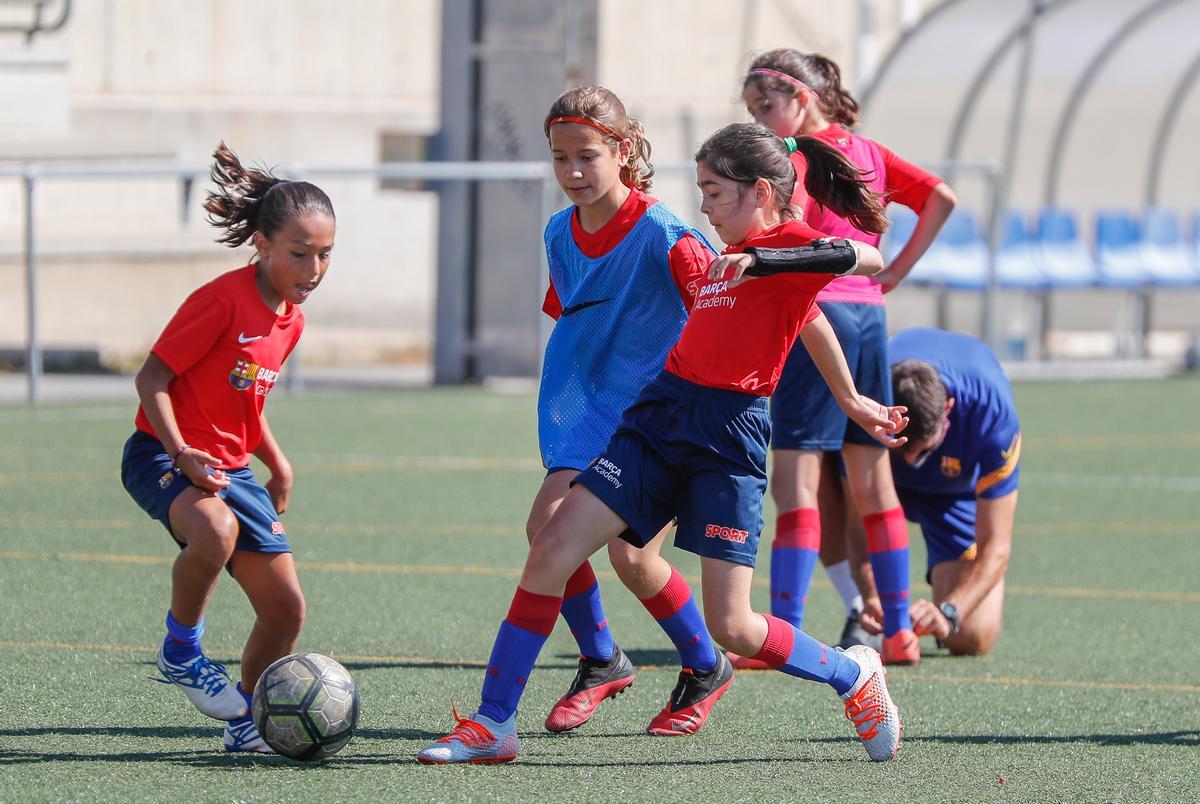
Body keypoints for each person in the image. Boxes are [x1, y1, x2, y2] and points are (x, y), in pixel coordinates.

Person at [416, 122, 908, 765]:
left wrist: (771, 263)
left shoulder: (783, 247)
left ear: (760, 191)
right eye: (700, 190)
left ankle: (854, 677)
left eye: (714, 191)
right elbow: (807, 319)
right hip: (658, 414)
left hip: (728, 435)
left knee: (733, 625)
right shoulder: (720, 250)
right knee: (552, 548)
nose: (703, 205)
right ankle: (493, 723)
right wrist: (845, 394)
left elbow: (865, 258)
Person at [529, 85, 868, 737]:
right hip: (591, 413)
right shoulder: (557, 232)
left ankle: (694, 663)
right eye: (559, 157)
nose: (572, 170)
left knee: (631, 561)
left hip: (664, 416)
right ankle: (607, 660)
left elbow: (784, 309)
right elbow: (572, 318)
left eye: (585, 155)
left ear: (623, 152)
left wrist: (848, 396)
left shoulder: (670, 236)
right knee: (551, 536)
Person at [737, 49, 956, 666]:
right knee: (871, 475)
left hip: (820, 315)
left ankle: (781, 634)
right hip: (870, 315)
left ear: (802, 100)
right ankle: (900, 633)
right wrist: (897, 272)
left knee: (795, 479)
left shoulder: (796, 158)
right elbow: (942, 197)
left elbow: (796, 233)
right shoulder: (870, 153)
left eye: (766, 107)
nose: (760, 120)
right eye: (752, 111)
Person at [119, 143, 334, 753]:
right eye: (300, 253)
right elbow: (151, 380)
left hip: (231, 469)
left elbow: (248, 402)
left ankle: (246, 721)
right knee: (212, 531)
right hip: (160, 454)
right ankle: (181, 650)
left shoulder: (291, 318)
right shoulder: (219, 301)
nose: (314, 268)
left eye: (325, 254)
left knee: (286, 608)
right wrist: (182, 451)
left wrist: (278, 462)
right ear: (262, 246)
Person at [851, 327, 1019, 656]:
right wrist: (869, 594)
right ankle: (850, 610)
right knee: (818, 474)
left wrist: (949, 612)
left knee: (973, 635)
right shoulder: (867, 398)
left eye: (923, 450)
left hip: (952, 495)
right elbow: (852, 518)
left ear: (949, 411)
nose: (912, 461)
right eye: (902, 448)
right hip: (881, 478)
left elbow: (997, 544)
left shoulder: (993, 415)